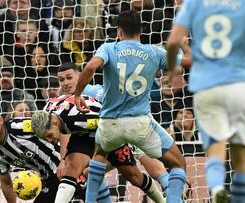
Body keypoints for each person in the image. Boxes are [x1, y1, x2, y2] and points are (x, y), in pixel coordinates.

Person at [74, 10, 191, 203]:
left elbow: (90, 67)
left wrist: (78, 94)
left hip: (110, 125)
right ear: (142, 30)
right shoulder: (154, 52)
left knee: (99, 155)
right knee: (178, 163)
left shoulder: (109, 48)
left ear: (119, 31)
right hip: (139, 124)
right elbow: (187, 63)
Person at [166, 0, 245, 202]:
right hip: (240, 85)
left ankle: (218, 187)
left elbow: (173, 41)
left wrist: (172, 71)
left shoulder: (194, 4)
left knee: (215, 148)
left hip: (207, 86)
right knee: (242, 158)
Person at [58, 62, 172, 196]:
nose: (65, 82)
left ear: (80, 76)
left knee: (152, 169)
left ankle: (172, 192)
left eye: (69, 77)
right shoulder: (61, 102)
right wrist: (63, 159)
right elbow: (63, 131)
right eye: (61, 80)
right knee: (92, 173)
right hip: (104, 143)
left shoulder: (93, 92)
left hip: (127, 129)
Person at [32, 96, 165, 203]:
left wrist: (99, 156)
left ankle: (162, 200)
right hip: (83, 134)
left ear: (55, 123)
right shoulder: (46, 112)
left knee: (134, 177)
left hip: (110, 129)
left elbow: (110, 124)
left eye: (49, 136)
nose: (50, 140)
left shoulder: (79, 120)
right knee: (71, 168)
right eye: (46, 138)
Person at [0, 104, 61, 203]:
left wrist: (66, 158)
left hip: (64, 167)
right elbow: (6, 182)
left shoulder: (19, 126)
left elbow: (56, 124)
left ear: (1, 120)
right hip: (49, 178)